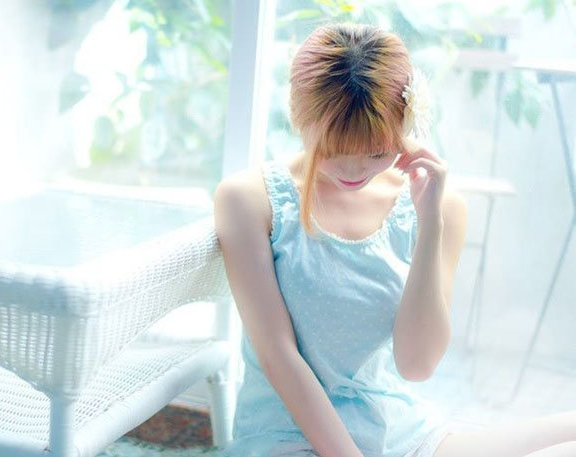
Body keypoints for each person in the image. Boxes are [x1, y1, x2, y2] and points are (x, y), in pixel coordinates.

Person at [213, 22, 576, 457]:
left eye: (376, 151)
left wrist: (430, 220)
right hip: (286, 433)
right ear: (298, 118)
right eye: (333, 151)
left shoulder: (438, 205)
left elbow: (417, 364)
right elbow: (278, 355)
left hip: (394, 427)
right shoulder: (249, 200)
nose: (354, 171)